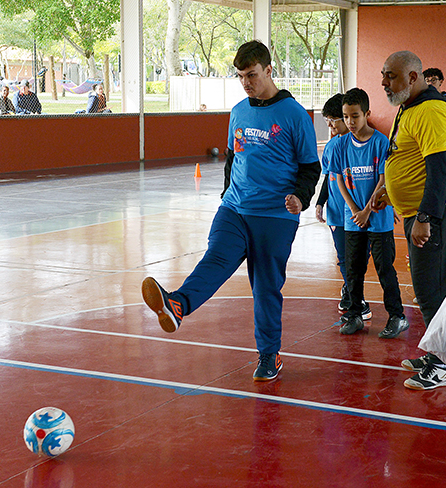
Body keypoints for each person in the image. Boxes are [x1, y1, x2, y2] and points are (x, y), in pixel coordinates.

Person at [141, 40, 320, 382]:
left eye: (252, 75)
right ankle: (177, 305)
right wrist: (227, 195)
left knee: (265, 286)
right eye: (240, 76)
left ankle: (269, 355)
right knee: (216, 258)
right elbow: (232, 158)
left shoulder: (295, 115)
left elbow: (310, 168)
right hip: (235, 208)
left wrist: (300, 197)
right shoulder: (238, 110)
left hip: (275, 216)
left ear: (269, 70)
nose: (246, 82)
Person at [371, 51, 446, 390]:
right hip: (421, 211)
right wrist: (389, 191)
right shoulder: (411, 106)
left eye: (391, 76)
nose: (384, 82)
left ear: (413, 78)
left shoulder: (430, 110)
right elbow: (405, 155)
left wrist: (426, 217)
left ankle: (443, 364)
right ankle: (438, 354)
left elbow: (441, 171)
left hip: (438, 212)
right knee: (431, 286)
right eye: (384, 75)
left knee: (431, 288)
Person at [330, 88, 407, 338]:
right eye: (346, 117)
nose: (350, 122)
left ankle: (397, 316)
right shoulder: (340, 144)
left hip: (379, 220)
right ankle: (354, 315)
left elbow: (384, 179)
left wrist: (367, 211)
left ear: (367, 114)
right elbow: (339, 179)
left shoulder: (380, 142)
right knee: (352, 270)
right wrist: (354, 210)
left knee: (385, 269)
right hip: (353, 220)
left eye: (355, 116)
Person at [314, 93, 371, 319]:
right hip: (338, 212)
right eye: (327, 120)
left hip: (361, 211)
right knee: (345, 256)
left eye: (333, 120)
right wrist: (320, 202)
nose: (330, 125)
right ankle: (357, 298)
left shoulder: (370, 143)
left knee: (361, 256)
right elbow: (328, 178)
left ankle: (351, 288)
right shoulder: (332, 147)